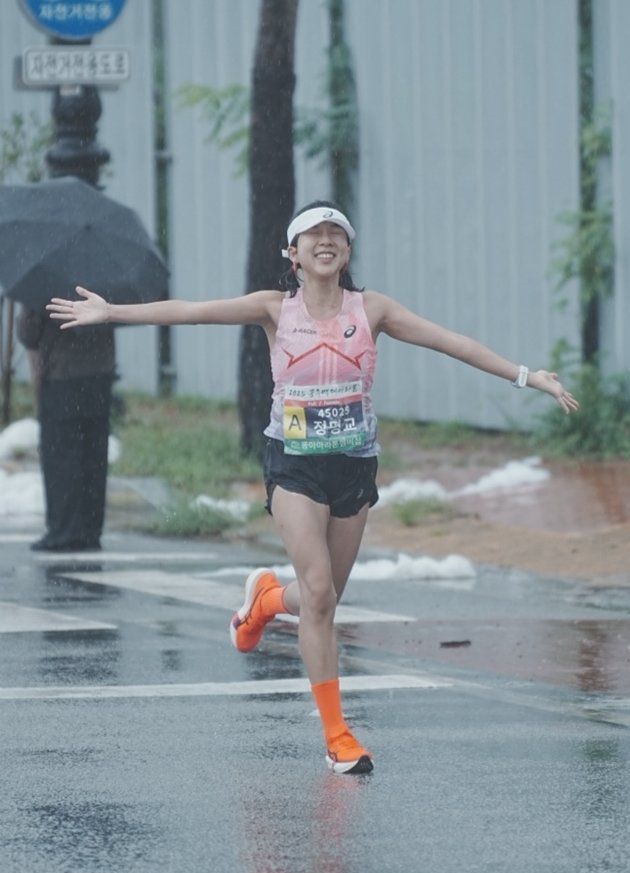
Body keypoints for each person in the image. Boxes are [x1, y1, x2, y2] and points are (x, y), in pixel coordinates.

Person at [46, 200, 579, 773]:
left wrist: (528, 377)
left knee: (318, 599)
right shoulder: (273, 309)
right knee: (320, 592)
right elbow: (191, 310)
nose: (326, 241)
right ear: (293, 253)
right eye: (313, 234)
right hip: (292, 464)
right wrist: (112, 314)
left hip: (353, 466)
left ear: (346, 252)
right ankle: (338, 737)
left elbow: (451, 341)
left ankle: (266, 601)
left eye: (336, 234)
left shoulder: (371, 310)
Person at [17, 305, 115, 552]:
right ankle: (90, 530)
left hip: (62, 376)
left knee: (61, 456)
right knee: (94, 454)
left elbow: (29, 332)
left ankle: (64, 531)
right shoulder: (104, 278)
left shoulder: (46, 282)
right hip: (99, 375)